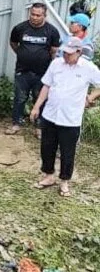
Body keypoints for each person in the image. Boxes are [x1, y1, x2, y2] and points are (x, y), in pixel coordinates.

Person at [31, 37, 100, 197]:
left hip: (71, 118)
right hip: (50, 114)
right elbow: (46, 85)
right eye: (64, 53)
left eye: (70, 53)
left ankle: (64, 181)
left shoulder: (88, 68)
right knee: (47, 147)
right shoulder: (56, 64)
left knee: (67, 151)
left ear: (79, 52)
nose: (66, 56)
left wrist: (90, 98)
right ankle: (48, 175)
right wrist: (37, 106)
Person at [9, 3, 61, 135]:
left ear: (44, 15)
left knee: (40, 98)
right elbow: (14, 44)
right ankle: (16, 123)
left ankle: (40, 127)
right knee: (20, 97)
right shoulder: (19, 28)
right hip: (23, 70)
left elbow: (54, 51)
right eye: (32, 14)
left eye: (38, 15)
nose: (35, 17)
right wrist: (23, 54)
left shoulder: (52, 31)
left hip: (42, 72)